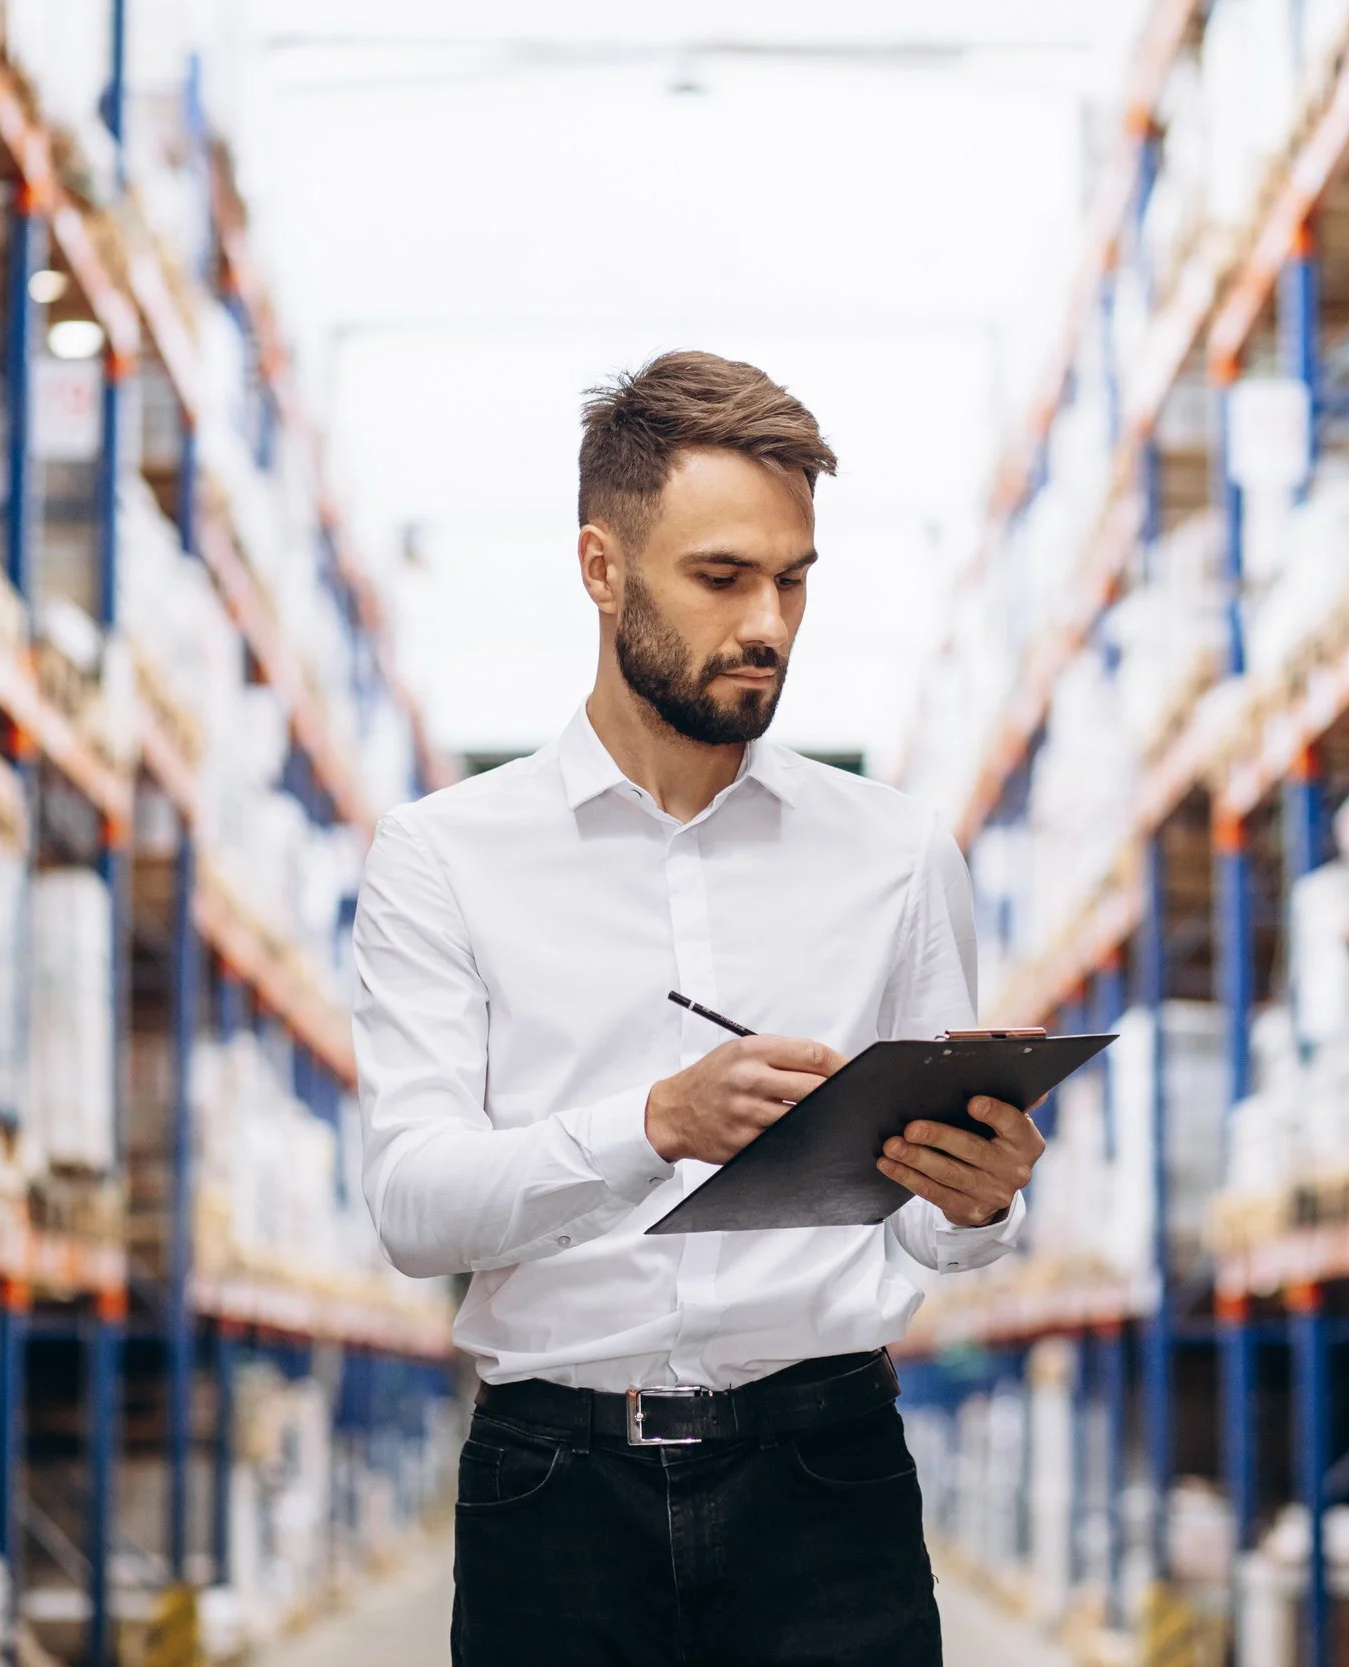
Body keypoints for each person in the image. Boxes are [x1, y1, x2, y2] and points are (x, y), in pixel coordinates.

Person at [351, 350, 1048, 1666]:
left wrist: (979, 1201)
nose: (769, 623)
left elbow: (933, 1236)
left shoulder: (898, 854)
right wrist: (655, 1121)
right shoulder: (443, 855)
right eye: (722, 577)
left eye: (794, 579)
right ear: (601, 568)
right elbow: (412, 1204)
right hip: (553, 1489)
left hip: (824, 1477)